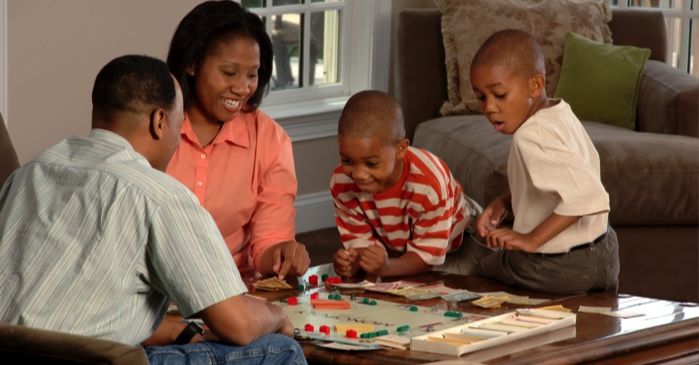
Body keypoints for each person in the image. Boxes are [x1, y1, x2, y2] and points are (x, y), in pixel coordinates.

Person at [0, 55, 306, 365]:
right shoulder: (160, 195)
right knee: (281, 350)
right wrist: (275, 315)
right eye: (179, 121)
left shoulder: (29, 174)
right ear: (159, 121)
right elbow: (238, 325)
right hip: (97, 361)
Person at [463, 29, 619, 294]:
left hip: (560, 266)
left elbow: (587, 197)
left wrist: (531, 240)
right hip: (605, 252)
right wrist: (506, 201)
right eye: (481, 97)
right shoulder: (560, 112)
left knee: (478, 261)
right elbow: (565, 181)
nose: (489, 107)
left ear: (535, 85)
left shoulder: (530, 135)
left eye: (499, 94)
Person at [166, 0, 309, 280]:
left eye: (252, 75)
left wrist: (282, 253)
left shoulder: (270, 139)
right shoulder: (157, 125)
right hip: (157, 291)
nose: (242, 88)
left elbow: (268, 243)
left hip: (230, 290)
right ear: (193, 63)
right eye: (229, 73)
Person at [330, 90, 482, 279]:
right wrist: (354, 261)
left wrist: (386, 268)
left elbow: (425, 257)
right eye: (347, 160)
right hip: (399, 243)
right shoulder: (342, 183)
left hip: (459, 234)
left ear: (400, 149)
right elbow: (363, 247)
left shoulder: (430, 185)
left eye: (371, 164)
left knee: (458, 278)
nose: (359, 174)